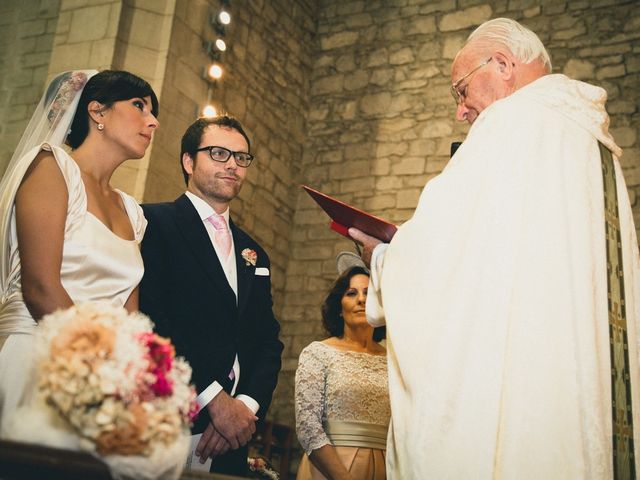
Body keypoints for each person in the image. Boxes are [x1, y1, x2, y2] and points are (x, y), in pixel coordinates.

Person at [350, 17, 640, 479]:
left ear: (503, 63)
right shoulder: (591, 141)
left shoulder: (512, 121)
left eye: (461, 91)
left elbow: (441, 258)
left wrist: (382, 259)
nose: (461, 111)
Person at [0, 69, 159, 431]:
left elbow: (131, 318)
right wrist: (102, 366)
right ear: (97, 112)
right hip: (37, 359)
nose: (153, 123)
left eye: (154, 113)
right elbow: (40, 288)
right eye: (139, 106)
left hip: (100, 383)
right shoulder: (52, 169)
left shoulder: (133, 212)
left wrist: (141, 380)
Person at [139, 116, 284, 476]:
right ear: (189, 161)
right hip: (168, 418)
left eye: (241, 157)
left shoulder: (254, 252)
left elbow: (266, 341)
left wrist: (243, 409)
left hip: (231, 437)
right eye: (219, 154)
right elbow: (152, 320)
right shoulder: (152, 223)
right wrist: (213, 401)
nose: (233, 164)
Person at [295, 258, 389, 480]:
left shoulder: (392, 361)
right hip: (329, 468)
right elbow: (308, 426)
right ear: (339, 306)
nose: (362, 299)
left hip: (386, 468)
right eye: (351, 293)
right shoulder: (318, 353)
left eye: (369, 293)